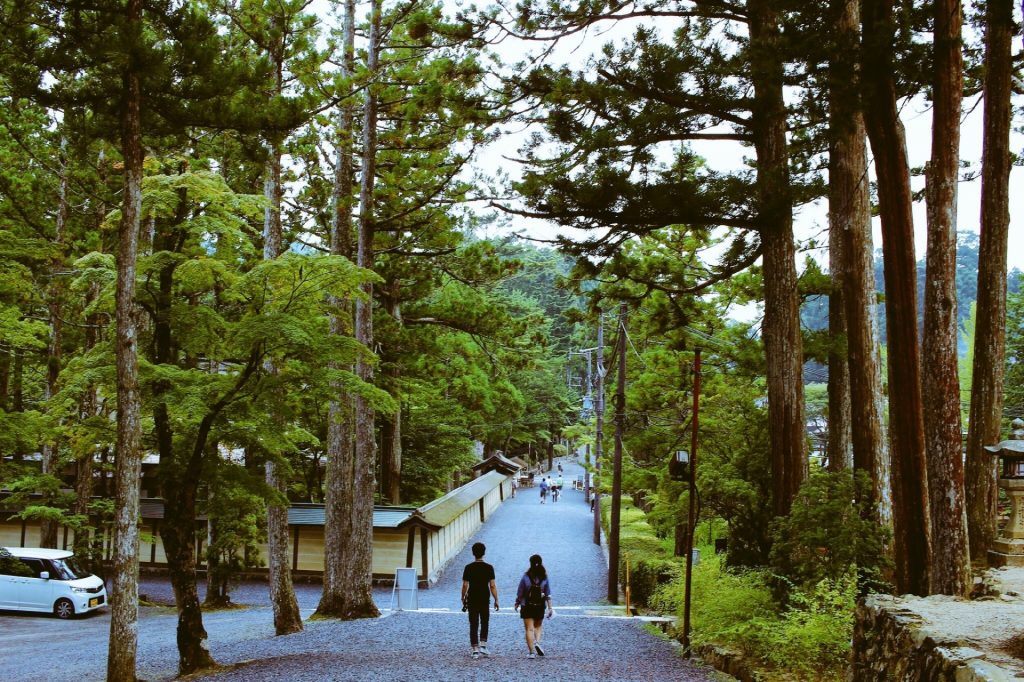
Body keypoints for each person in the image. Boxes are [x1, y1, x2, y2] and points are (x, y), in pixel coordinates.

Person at [461, 542, 499, 659]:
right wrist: (496, 599)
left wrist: (463, 597)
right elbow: (492, 585)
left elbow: (465, 585)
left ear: (473, 553)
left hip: (472, 597)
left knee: (473, 623)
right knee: (485, 621)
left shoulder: (468, 567)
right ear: (484, 552)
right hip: (484, 597)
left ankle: (475, 649)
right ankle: (483, 644)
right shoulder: (489, 567)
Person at [514, 554, 553, 658]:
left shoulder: (526, 577)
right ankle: (537, 643)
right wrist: (550, 608)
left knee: (529, 629)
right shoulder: (544, 577)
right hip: (540, 605)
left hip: (527, 605)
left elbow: (520, 592)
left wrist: (517, 603)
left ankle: (531, 652)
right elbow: (548, 594)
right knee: (538, 626)